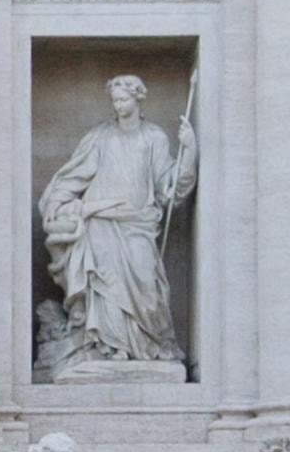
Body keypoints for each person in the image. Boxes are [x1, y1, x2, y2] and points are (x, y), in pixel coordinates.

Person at [38, 76, 195, 367]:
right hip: (101, 223)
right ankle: (109, 346)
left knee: (146, 283)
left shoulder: (154, 138)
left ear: (138, 99)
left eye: (124, 99)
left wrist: (189, 152)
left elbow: (170, 187)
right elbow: (75, 175)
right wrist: (57, 201)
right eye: (115, 100)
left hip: (138, 223)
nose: (119, 105)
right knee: (105, 285)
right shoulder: (100, 137)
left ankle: (146, 346)